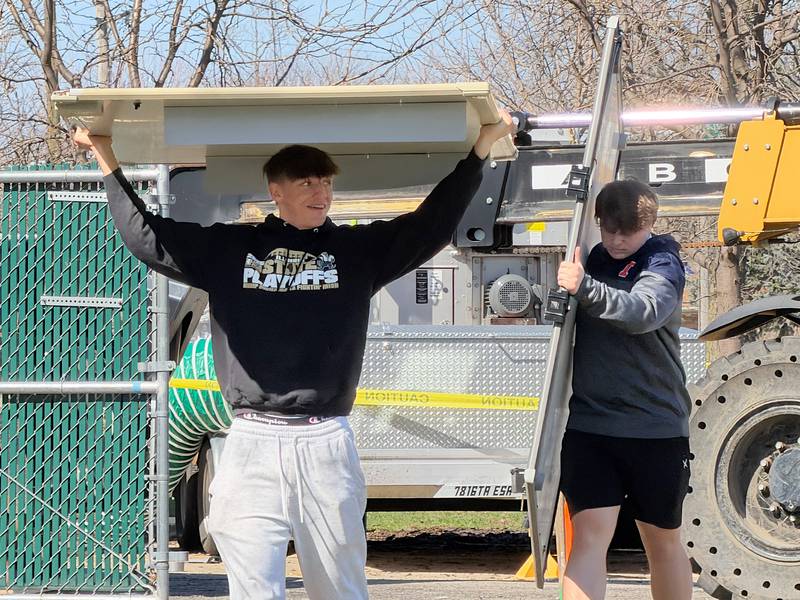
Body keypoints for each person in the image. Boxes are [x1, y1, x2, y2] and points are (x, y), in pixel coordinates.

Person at [72, 110, 514, 600]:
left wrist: (481, 150)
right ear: (275, 190)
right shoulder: (232, 249)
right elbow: (146, 236)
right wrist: (104, 155)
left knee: (340, 587)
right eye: (306, 182)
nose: (321, 192)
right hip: (250, 443)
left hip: (325, 443)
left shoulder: (356, 251)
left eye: (325, 182)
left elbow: (430, 224)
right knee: (255, 586)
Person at [556, 179, 693, 600]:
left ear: (648, 224)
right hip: (592, 427)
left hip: (656, 430)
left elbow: (644, 312)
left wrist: (584, 288)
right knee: (590, 537)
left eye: (627, 232)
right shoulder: (592, 258)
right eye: (608, 229)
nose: (616, 240)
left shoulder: (663, 262)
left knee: (662, 539)